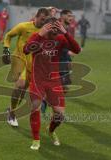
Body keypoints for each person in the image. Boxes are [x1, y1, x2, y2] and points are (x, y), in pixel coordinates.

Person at [23, 17, 81, 150]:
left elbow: (77, 50)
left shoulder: (60, 39)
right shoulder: (37, 37)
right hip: (38, 79)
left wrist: (66, 33)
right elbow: (26, 50)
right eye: (53, 27)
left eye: (57, 27)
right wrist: (39, 35)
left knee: (59, 115)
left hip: (54, 80)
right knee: (35, 107)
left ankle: (50, 130)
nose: (56, 30)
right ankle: (36, 139)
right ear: (46, 27)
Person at [2, 8, 50, 127]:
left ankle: (11, 110)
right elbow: (8, 36)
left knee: (22, 91)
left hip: (31, 63)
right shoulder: (23, 26)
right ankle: (12, 114)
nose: (43, 22)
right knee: (20, 85)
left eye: (45, 20)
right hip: (18, 59)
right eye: (42, 19)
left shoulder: (45, 32)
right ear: (36, 17)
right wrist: (6, 50)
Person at [41, 9, 75, 114]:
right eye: (69, 16)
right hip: (57, 61)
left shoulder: (67, 28)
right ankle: (47, 104)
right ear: (63, 16)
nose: (71, 18)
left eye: (72, 16)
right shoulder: (58, 26)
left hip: (64, 60)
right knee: (58, 87)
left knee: (64, 88)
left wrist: (69, 58)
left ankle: (45, 101)